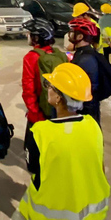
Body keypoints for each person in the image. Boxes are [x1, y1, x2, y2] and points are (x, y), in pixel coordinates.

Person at [20, 63, 110, 220]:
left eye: (50, 87)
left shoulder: (39, 133)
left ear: (59, 98)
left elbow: (35, 170)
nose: (48, 90)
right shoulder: (93, 126)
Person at [21, 19, 67, 150]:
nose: (27, 36)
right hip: (58, 110)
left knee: (35, 154)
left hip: (39, 113)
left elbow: (28, 89)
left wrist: (34, 113)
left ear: (36, 37)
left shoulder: (31, 57)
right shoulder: (58, 54)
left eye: (30, 33)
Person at [68, 18, 102, 125]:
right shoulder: (84, 53)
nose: (70, 35)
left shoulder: (85, 59)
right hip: (88, 105)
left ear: (80, 36)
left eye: (73, 32)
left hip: (85, 109)